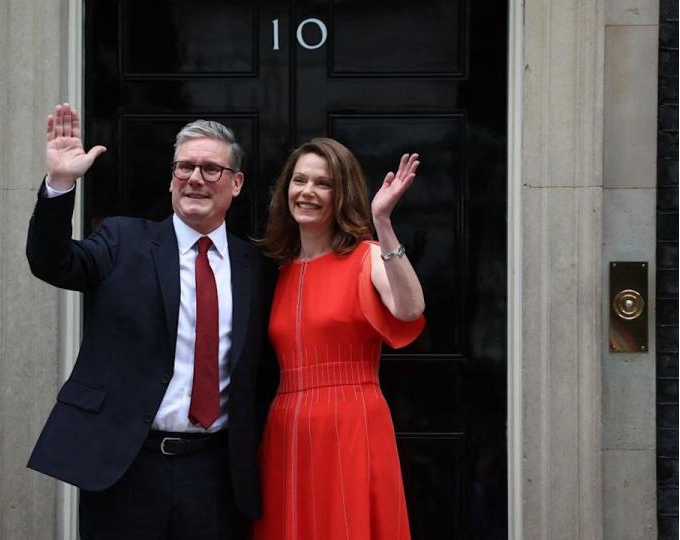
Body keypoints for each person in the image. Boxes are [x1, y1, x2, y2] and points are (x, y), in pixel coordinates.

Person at [26, 103, 272, 539]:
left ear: (236, 184)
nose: (194, 178)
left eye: (211, 169)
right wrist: (60, 183)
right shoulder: (123, 240)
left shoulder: (256, 265)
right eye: (184, 167)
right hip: (126, 468)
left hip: (215, 475)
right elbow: (52, 262)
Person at [252, 138, 426, 539]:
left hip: (351, 421)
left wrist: (382, 221)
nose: (307, 192)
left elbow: (410, 308)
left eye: (322, 183)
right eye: (299, 180)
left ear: (341, 193)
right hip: (286, 427)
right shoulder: (278, 273)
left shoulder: (367, 256)